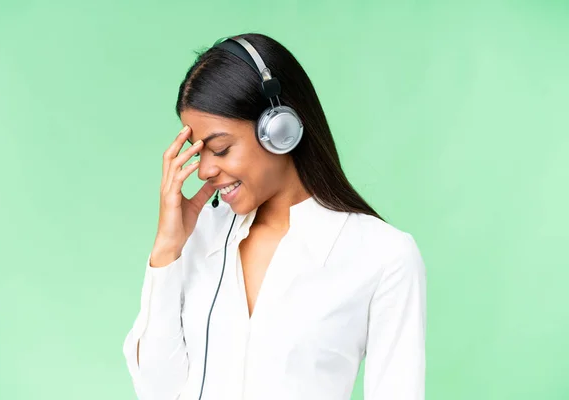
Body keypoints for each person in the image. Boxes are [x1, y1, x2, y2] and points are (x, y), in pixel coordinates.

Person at [122, 33, 426, 400]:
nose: (204, 171)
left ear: (279, 128)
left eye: (220, 148)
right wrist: (167, 250)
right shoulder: (196, 238)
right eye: (198, 152)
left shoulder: (383, 255)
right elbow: (157, 391)